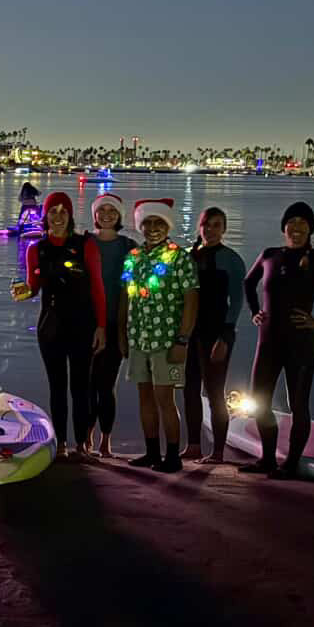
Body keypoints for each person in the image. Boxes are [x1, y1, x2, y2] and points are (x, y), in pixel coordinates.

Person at [241, 201, 314, 478]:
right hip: (268, 342)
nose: (296, 228)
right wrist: (254, 312)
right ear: (283, 227)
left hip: (301, 345)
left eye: (302, 223)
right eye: (291, 222)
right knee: (259, 401)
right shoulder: (269, 255)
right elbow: (248, 283)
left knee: (298, 406)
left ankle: (291, 464)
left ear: (310, 229)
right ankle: (267, 459)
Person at [12, 190, 106, 461]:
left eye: (63, 211)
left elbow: (98, 289)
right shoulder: (36, 248)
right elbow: (33, 287)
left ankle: (82, 446)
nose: (58, 217)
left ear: (70, 216)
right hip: (50, 326)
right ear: (46, 216)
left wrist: (101, 327)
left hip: (82, 325)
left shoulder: (85, 245)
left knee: (81, 387)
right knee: (57, 387)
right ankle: (61, 444)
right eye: (52, 212)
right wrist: (24, 292)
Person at [118, 198, 199, 473]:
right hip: (138, 337)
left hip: (167, 340)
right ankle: (152, 452)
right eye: (148, 222)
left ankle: (173, 455)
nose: (153, 228)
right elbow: (125, 297)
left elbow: (191, 300)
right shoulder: (134, 257)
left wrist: (182, 339)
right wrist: (122, 334)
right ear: (140, 226)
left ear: (168, 225)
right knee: (144, 397)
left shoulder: (180, 257)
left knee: (165, 399)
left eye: (159, 222)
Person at [183, 207, 247, 463]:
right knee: (189, 390)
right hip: (190, 332)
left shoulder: (231, 259)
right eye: (206, 225)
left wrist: (225, 335)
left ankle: (218, 451)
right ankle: (194, 446)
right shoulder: (190, 256)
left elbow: (237, 301)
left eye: (217, 225)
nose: (210, 230)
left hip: (218, 333)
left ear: (224, 229)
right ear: (200, 227)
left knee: (214, 391)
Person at [86, 192, 135, 456]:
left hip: (116, 324)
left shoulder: (128, 246)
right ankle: (86, 437)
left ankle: (105, 440)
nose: (106, 215)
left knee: (106, 384)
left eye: (112, 211)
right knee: (87, 385)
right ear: (94, 214)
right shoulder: (85, 243)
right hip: (87, 323)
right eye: (101, 210)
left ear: (119, 216)